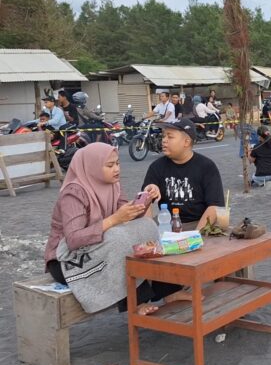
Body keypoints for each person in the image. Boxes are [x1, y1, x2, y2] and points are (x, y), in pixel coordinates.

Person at [44, 143, 188, 315]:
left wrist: (146, 198)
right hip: (68, 261)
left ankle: (168, 290)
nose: (117, 169)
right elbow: (74, 239)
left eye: (118, 163)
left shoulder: (112, 185)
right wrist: (114, 219)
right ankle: (135, 301)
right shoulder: (73, 193)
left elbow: (128, 216)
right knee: (119, 239)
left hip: (100, 246)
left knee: (147, 227)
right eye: (110, 165)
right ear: (92, 167)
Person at [142, 118, 225, 229]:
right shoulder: (156, 167)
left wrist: (196, 235)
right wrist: (149, 233)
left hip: (199, 223)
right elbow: (144, 202)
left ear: (186, 142)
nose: (164, 140)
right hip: (167, 223)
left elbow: (214, 206)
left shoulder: (206, 167)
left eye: (170, 137)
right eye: (164, 136)